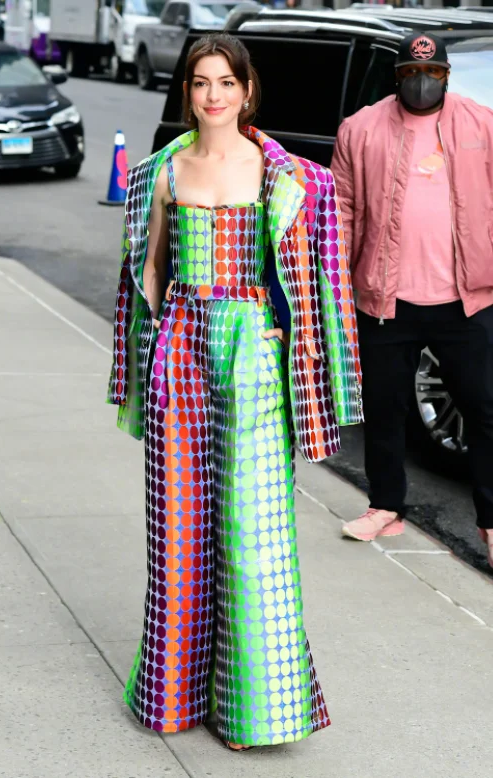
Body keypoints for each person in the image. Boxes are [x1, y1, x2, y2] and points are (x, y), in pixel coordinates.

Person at [107, 33, 363, 750]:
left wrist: (288, 341)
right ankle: (174, 694)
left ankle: (257, 709)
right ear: (186, 91)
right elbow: (146, 269)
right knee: (179, 529)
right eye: (200, 82)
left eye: (226, 82)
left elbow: (321, 282)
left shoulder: (292, 178)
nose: (213, 95)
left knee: (253, 529)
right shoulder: (162, 171)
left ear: (247, 90)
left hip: (253, 353)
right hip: (181, 350)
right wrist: (162, 337)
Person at [331, 32, 493, 566]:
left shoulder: (482, 124)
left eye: (432, 74)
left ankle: (491, 520)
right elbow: (345, 212)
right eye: (409, 73)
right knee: (384, 408)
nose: (421, 83)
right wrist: (338, 286)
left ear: (447, 76)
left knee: (484, 409)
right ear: (396, 75)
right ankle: (386, 507)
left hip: (465, 297)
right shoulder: (360, 129)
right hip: (386, 298)